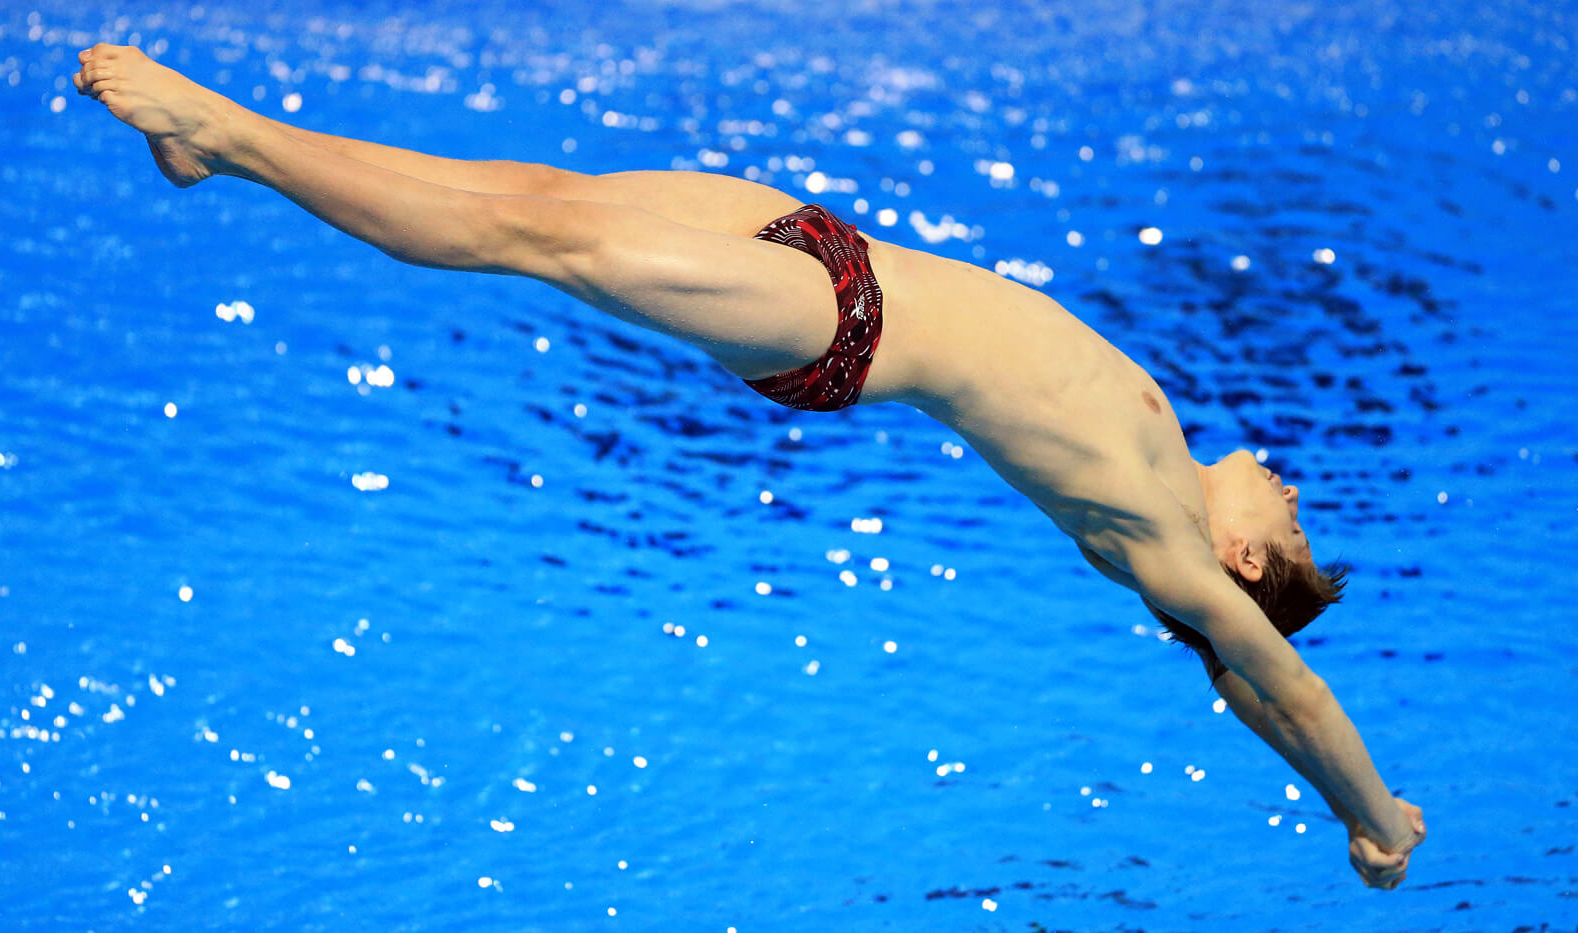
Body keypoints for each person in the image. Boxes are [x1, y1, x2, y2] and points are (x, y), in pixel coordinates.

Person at [74, 43, 1426, 887]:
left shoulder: (1168, 547)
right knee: (538, 193)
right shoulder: (1163, 442)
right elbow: (1262, 682)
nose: (1293, 490)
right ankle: (221, 150)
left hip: (838, 327)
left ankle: (229, 138)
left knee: (523, 239)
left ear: (1246, 564)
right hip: (827, 248)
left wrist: (1372, 815)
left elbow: (1285, 692)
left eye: (1292, 526)